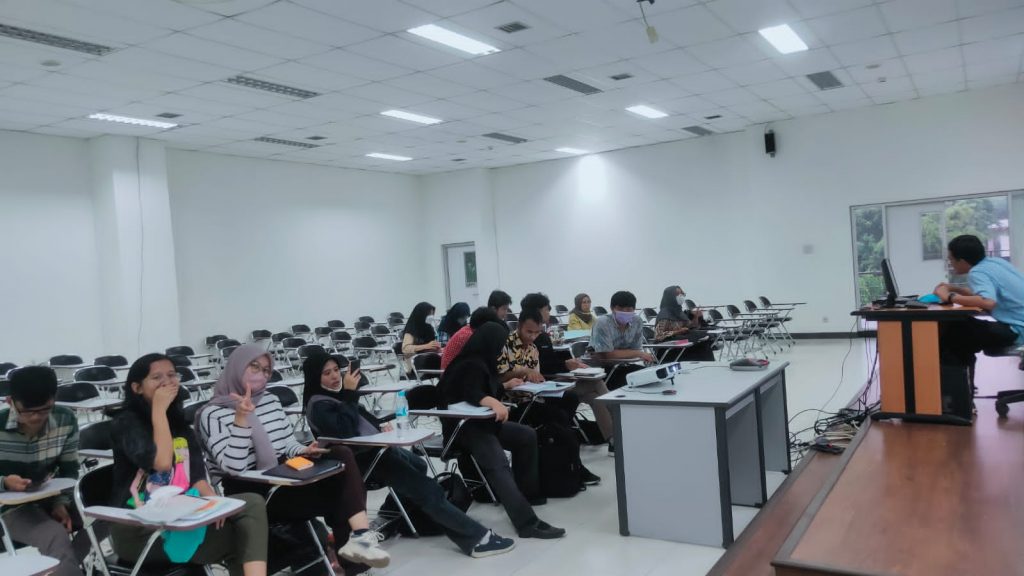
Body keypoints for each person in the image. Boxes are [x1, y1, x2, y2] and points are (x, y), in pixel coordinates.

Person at [300, 353, 515, 558]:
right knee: (428, 490)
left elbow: (361, 418)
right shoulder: (319, 404)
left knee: (418, 464)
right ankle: (476, 539)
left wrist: (379, 427)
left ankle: (389, 513)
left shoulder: (334, 397)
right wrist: (350, 393)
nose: (335, 376)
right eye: (326, 373)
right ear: (314, 378)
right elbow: (344, 430)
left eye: (336, 370)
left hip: (375, 449)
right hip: (361, 461)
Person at [197, 344, 390, 571]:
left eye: (266, 370)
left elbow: (286, 443)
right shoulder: (212, 414)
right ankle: (354, 558)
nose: (261, 374)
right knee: (342, 493)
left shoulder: (270, 400)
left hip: (284, 475)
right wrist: (241, 420)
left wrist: (303, 450)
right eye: (254, 367)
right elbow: (234, 468)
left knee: (341, 454)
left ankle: (360, 537)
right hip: (252, 489)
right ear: (237, 367)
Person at [109, 354, 268, 576]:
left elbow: (197, 477)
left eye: (171, 375)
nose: (167, 382)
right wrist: (158, 411)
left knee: (252, 503)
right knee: (245, 536)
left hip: (182, 513)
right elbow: (162, 463)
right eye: (156, 377)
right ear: (137, 388)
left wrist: (216, 503)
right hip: (140, 528)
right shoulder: (126, 423)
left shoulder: (179, 423)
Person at [438, 322, 565, 540]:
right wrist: (492, 402)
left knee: (526, 436)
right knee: (498, 462)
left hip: (483, 423)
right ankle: (526, 523)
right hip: (464, 429)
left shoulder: (482, 362)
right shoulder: (468, 363)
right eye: (500, 344)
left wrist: (504, 386)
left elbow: (483, 386)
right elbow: (471, 391)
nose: (501, 348)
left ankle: (526, 495)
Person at [499, 301, 601, 486]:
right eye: (529, 332)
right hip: (512, 402)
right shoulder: (504, 345)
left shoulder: (533, 348)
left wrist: (539, 380)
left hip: (533, 396)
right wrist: (523, 372)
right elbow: (499, 376)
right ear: (519, 326)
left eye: (537, 332)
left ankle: (565, 456)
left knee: (569, 399)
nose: (532, 336)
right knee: (559, 419)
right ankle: (573, 464)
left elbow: (535, 375)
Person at [0, 367, 84, 576]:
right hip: (8, 506)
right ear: (10, 402)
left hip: (48, 494)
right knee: (55, 535)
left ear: (54, 399)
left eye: (45, 409)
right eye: (28, 411)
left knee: (99, 519)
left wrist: (60, 503)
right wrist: (5, 482)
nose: (36, 417)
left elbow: (69, 468)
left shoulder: (65, 419)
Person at [521, 292, 615, 445]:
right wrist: (566, 365)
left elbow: (548, 361)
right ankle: (619, 425)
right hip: (546, 385)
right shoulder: (532, 338)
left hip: (553, 380)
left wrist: (570, 363)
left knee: (594, 397)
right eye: (546, 309)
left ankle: (612, 439)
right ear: (536, 311)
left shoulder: (541, 335)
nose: (549, 312)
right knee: (596, 382)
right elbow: (543, 367)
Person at [934, 235, 1024, 377]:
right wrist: (955, 289)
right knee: (962, 328)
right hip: (1018, 323)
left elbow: (988, 301)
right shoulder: (995, 262)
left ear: (962, 261)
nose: (950, 263)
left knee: (955, 333)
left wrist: (948, 297)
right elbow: (987, 294)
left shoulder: (977, 272)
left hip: (1018, 329)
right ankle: (963, 385)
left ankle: (957, 388)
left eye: (951, 259)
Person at [590, 290, 654, 392]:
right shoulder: (602, 322)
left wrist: (633, 353)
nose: (625, 312)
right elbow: (608, 355)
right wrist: (638, 353)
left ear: (634, 309)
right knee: (635, 384)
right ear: (612, 308)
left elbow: (635, 349)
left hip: (622, 365)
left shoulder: (637, 321)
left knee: (650, 376)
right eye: (620, 309)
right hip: (601, 370)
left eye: (628, 309)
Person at [440, 291, 511, 370]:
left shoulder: (470, 330)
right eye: (504, 309)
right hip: (453, 374)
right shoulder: (469, 336)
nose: (506, 313)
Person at [653, 286, 716, 362]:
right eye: (677, 294)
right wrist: (677, 332)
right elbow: (658, 336)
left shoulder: (679, 312)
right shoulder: (664, 314)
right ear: (670, 297)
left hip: (679, 343)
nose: (681, 296)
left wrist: (696, 317)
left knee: (702, 339)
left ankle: (707, 366)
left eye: (682, 294)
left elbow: (690, 327)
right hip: (668, 348)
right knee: (699, 344)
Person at [402, 302, 442, 376]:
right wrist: (426, 346)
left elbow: (431, 345)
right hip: (414, 365)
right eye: (429, 314)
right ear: (421, 315)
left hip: (428, 359)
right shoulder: (411, 330)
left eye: (432, 314)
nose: (431, 317)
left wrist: (438, 348)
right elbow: (405, 349)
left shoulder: (429, 328)